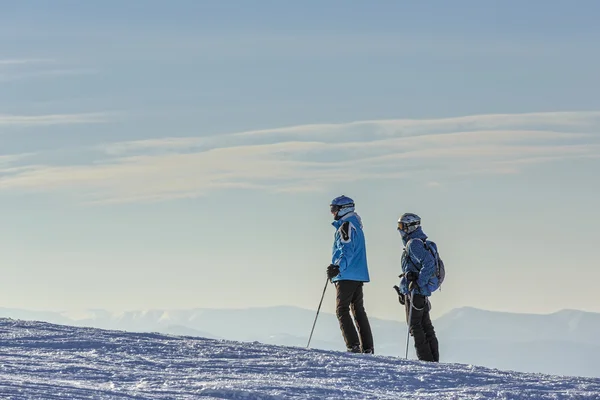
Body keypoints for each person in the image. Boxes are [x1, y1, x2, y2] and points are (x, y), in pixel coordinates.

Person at [326, 195, 374, 354]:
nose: (332, 213)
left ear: (343, 209)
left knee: (342, 310)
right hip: (357, 274)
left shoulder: (346, 226)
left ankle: (353, 346)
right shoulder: (356, 225)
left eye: (334, 209)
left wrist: (337, 267)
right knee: (358, 310)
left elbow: (347, 251)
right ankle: (367, 347)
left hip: (347, 274)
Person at [396, 212, 440, 362]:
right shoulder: (419, 241)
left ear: (410, 227)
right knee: (425, 325)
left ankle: (426, 360)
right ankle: (433, 360)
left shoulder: (413, 243)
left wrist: (418, 283)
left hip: (417, 292)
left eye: (401, 226)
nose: (399, 229)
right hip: (419, 291)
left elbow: (429, 264)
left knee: (415, 325)